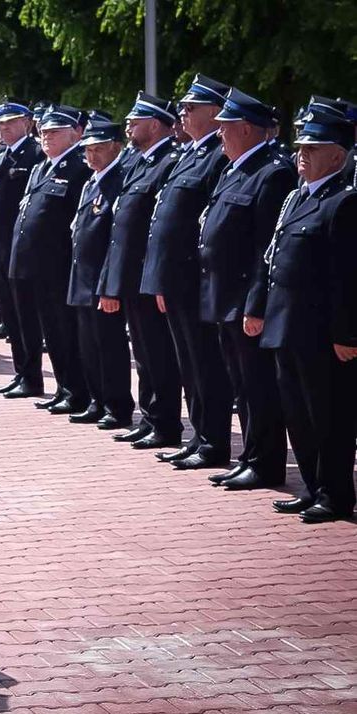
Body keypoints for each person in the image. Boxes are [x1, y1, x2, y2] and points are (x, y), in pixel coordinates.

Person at [199, 88, 297, 490]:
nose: (219, 133)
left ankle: (267, 462)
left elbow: (264, 249)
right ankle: (251, 456)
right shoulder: (234, 168)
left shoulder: (272, 173)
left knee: (258, 387)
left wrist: (256, 305)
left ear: (246, 129)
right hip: (223, 297)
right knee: (241, 385)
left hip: (245, 300)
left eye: (225, 127)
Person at [264, 102, 357, 523]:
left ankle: (336, 495)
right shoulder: (296, 199)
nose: (302, 153)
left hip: (322, 332)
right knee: (297, 415)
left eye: (313, 148)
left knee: (330, 417)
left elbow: (346, 277)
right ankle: (312, 487)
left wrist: (346, 333)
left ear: (337, 156)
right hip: (287, 326)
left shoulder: (344, 203)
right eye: (300, 146)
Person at [141, 75, 234, 471]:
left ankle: (213, 441)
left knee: (206, 365)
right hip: (176, 280)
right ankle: (199, 436)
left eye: (191, 108)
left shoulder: (217, 155)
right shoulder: (190, 154)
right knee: (190, 365)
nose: (182, 113)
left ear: (215, 114)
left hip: (195, 279)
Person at [97, 92, 182, 449]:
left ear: (156, 124)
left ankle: (165, 423)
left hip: (149, 273)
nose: (129, 124)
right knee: (144, 355)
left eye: (137, 119)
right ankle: (149, 418)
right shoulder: (136, 162)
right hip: (130, 273)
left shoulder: (168, 162)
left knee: (159, 355)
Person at [9, 104, 91, 410]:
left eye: (54, 132)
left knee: (64, 331)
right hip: (34, 264)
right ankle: (63, 388)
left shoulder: (78, 168)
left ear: (73, 134)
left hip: (57, 264)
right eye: (43, 132)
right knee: (50, 332)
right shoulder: (41, 168)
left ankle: (76, 391)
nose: (47, 137)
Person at [67, 118, 133, 428]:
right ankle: (96, 400)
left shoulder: (118, 181)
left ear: (116, 148)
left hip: (102, 280)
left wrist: (110, 286)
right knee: (88, 345)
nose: (92, 156)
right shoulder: (90, 182)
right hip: (82, 277)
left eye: (99, 149)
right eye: (88, 151)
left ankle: (116, 406)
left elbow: (115, 240)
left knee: (109, 347)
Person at [0, 98, 46, 397]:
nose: (4, 129)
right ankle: (20, 372)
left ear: (28, 122)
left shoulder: (35, 154)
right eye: (0, 125)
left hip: (19, 247)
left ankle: (32, 377)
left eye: (10, 123)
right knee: (9, 315)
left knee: (25, 317)